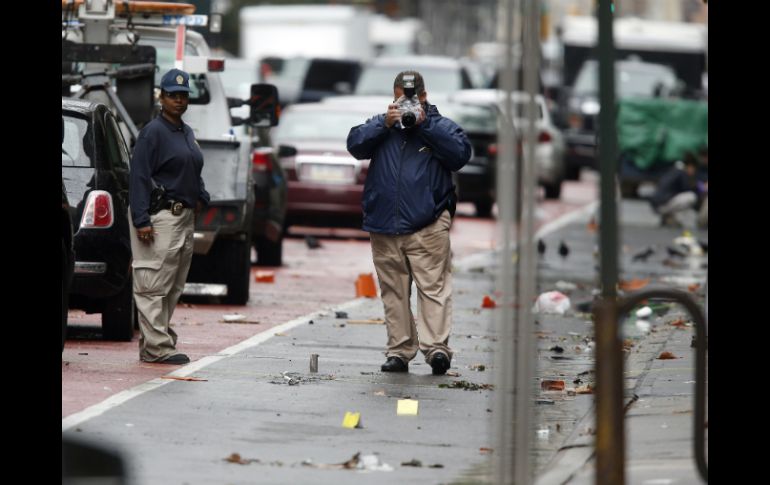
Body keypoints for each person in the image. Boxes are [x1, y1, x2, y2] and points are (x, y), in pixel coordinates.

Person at [346, 71, 472, 375]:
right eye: (401, 97)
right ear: (393, 96)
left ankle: (437, 350)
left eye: (412, 98)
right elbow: (355, 144)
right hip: (384, 224)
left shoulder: (440, 126)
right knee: (393, 291)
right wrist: (383, 123)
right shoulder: (382, 125)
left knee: (433, 287)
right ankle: (399, 351)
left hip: (427, 224)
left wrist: (425, 123)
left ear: (425, 98)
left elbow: (460, 154)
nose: (406, 104)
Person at [128, 68, 210, 365]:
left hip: (183, 218)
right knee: (152, 284)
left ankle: (154, 343)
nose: (178, 100)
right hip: (159, 217)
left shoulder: (185, 132)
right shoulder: (152, 132)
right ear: (161, 97)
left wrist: (201, 194)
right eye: (172, 95)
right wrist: (141, 219)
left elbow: (191, 169)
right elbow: (138, 176)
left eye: (183, 95)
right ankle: (158, 347)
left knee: (173, 285)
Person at [649, 151, 707, 228]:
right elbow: (687, 188)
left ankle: (669, 218)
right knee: (691, 197)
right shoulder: (681, 172)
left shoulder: (675, 169)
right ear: (690, 166)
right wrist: (702, 187)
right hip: (662, 204)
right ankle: (669, 216)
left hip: (658, 203)